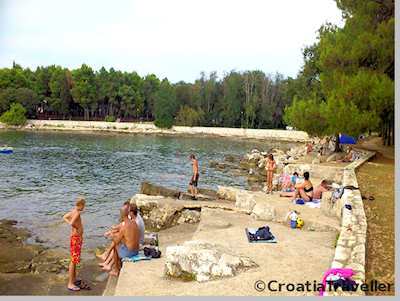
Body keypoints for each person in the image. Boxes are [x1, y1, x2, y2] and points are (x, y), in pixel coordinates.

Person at [102, 206, 140, 276]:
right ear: (128, 213)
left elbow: (116, 241)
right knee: (119, 242)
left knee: (115, 246)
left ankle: (116, 270)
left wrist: (112, 237)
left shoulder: (124, 227)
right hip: (137, 250)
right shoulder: (134, 222)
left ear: (121, 215)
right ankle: (113, 265)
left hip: (130, 253)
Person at [63, 197, 86, 292]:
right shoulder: (77, 213)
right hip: (76, 239)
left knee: (75, 260)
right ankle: (70, 283)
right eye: (84, 205)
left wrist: (73, 225)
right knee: (73, 261)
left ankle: (74, 279)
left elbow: (64, 217)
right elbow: (71, 223)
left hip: (74, 239)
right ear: (80, 205)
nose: (84, 207)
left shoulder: (73, 211)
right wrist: (76, 226)